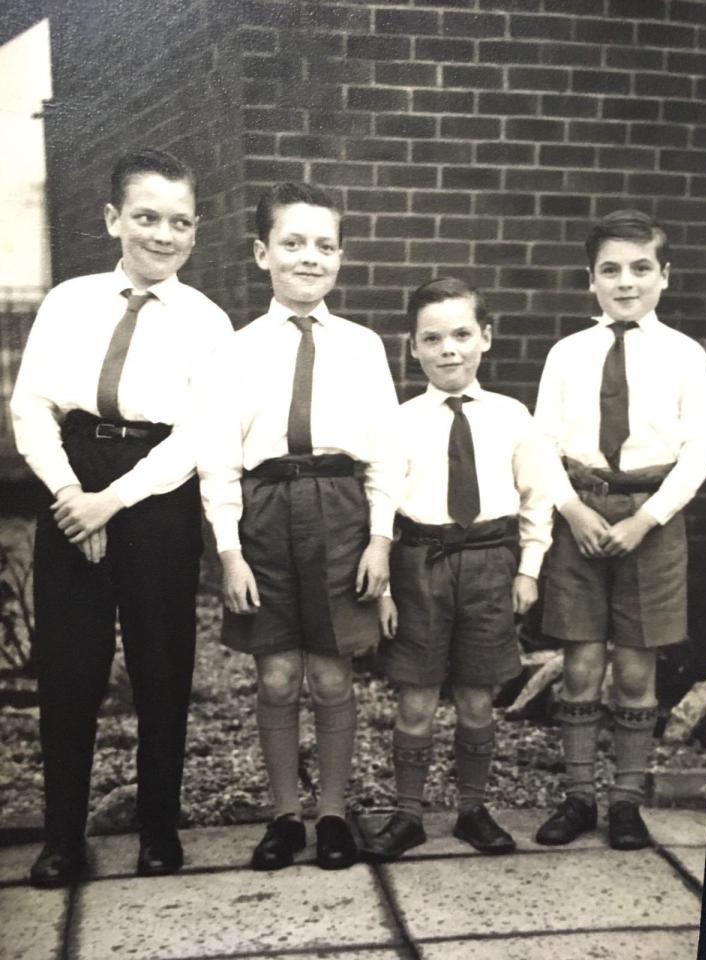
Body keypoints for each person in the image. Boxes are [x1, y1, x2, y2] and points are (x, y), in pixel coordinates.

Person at [11, 149, 232, 886]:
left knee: (161, 665)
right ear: (113, 220)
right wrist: (73, 493)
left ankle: (158, 830)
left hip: (155, 490)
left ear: (195, 231)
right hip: (71, 477)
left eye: (179, 222)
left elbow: (203, 431)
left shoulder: (206, 321)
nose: (162, 235)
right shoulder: (69, 302)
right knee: (70, 669)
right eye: (146, 218)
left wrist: (114, 500)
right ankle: (64, 837)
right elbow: (32, 403)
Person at [196, 181, 399, 871]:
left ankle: (335, 814)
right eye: (292, 243)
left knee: (333, 677)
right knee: (279, 675)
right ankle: (285, 816)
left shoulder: (365, 347)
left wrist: (380, 537)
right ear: (262, 253)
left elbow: (386, 453)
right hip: (266, 514)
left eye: (324, 245)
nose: (308, 258)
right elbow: (219, 458)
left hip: (341, 511)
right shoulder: (235, 350)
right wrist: (229, 551)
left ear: (340, 257)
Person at [533, 209, 706, 850]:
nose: (626, 281)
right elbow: (541, 445)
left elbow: (698, 453)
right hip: (582, 517)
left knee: (636, 669)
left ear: (664, 276)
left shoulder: (685, 356)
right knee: (581, 663)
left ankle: (626, 800)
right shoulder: (567, 354)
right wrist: (572, 510)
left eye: (641, 268)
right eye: (610, 269)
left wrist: (646, 518)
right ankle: (579, 795)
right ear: (591, 280)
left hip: (651, 522)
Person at [361, 277, 554, 862]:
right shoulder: (398, 420)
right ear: (413, 347)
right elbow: (382, 501)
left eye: (462, 335)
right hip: (421, 562)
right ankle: (409, 813)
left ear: (486, 338)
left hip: (491, 564)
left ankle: (473, 808)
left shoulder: (512, 416)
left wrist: (529, 568)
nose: (449, 349)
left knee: (476, 696)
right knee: (416, 698)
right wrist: (388, 587)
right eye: (433, 338)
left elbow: (536, 496)